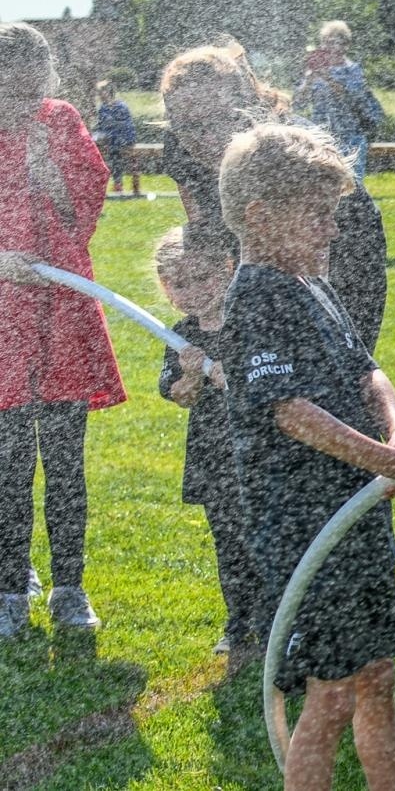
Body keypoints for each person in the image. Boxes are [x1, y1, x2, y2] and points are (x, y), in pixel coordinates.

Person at [217, 121, 395, 790]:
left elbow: (367, 373)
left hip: (357, 514)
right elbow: (292, 412)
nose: (332, 230)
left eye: (333, 215)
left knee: (378, 677)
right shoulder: (255, 299)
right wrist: (387, 464)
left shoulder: (312, 287)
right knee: (329, 695)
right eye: (317, 216)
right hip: (306, 530)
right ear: (260, 218)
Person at [0, 22, 126, 639]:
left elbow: (87, 197)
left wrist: (51, 173)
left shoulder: (62, 121)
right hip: (4, 321)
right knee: (8, 462)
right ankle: (10, 583)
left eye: (32, 85)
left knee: (66, 463)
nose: (24, 102)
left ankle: (70, 586)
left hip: (62, 312)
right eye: (10, 89)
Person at [159, 40, 388, 351]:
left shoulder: (277, 150)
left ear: (246, 106)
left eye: (219, 120)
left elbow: (314, 253)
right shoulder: (178, 147)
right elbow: (206, 232)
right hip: (275, 233)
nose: (208, 138)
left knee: (338, 360)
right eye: (192, 126)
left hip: (339, 234)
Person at [154, 225, 263, 670]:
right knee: (229, 543)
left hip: (257, 454)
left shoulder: (249, 321)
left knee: (266, 538)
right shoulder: (180, 336)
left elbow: (263, 386)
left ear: (227, 267)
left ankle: (279, 619)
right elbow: (180, 395)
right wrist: (193, 375)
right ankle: (238, 623)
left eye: (200, 279)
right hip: (213, 458)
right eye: (178, 284)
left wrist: (226, 375)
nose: (191, 292)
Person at [294, 21, 381, 180]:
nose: (328, 47)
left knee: (352, 184)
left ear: (345, 45)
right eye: (325, 42)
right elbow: (298, 103)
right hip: (322, 137)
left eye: (333, 42)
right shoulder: (314, 70)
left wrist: (326, 77)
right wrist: (308, 80)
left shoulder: (352, 70)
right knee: (323, 182)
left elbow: (351, 98)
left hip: (350, 137)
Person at [92, 76, 137, 194]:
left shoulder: (121, 106)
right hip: (110, 138)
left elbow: (126, 127)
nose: (99, 95)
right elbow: (102, 126)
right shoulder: (103, 108)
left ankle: (117, 184)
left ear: (108, 92)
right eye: (98, 93)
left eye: (101, 92)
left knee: (114, 155)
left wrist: (108, 135)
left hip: (123, 139)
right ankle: (98, 185)